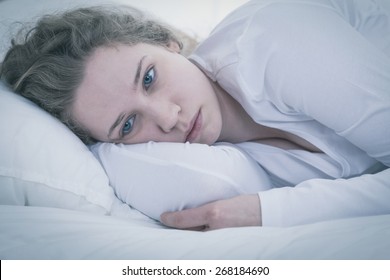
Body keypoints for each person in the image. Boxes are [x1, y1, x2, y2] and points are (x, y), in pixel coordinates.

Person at [1, 0, 390, 230]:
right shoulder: (218, 159)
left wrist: (263, 212)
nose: (168, 118)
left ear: (167, 43)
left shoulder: (274, 43)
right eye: (128, 124)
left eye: (149, 78)